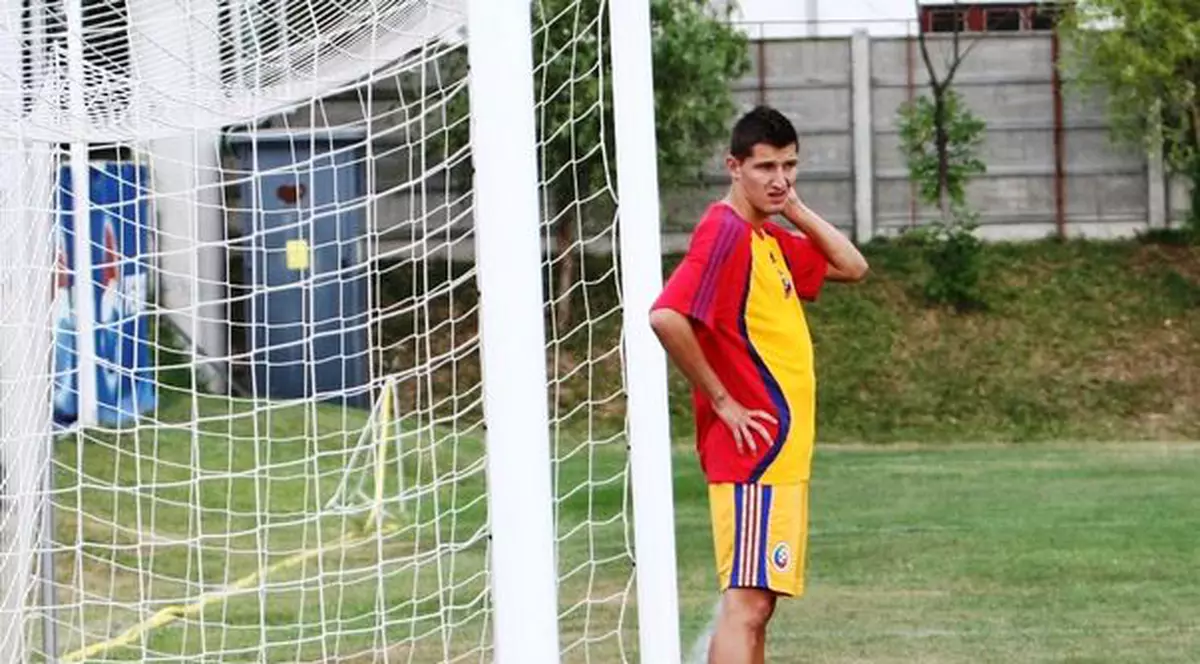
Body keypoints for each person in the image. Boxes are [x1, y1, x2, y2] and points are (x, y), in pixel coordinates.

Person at [649, 106, 869, 664]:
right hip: (754, 455)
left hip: (781, 457)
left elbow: (851, 265)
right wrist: (723, 402)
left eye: (790, 166)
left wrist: (792, 206)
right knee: (746, 604)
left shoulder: (764, 238)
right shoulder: (724, 232)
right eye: (766, 167)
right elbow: (666, 316)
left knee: (759, 605)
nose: (780, 178)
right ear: (733, 166)